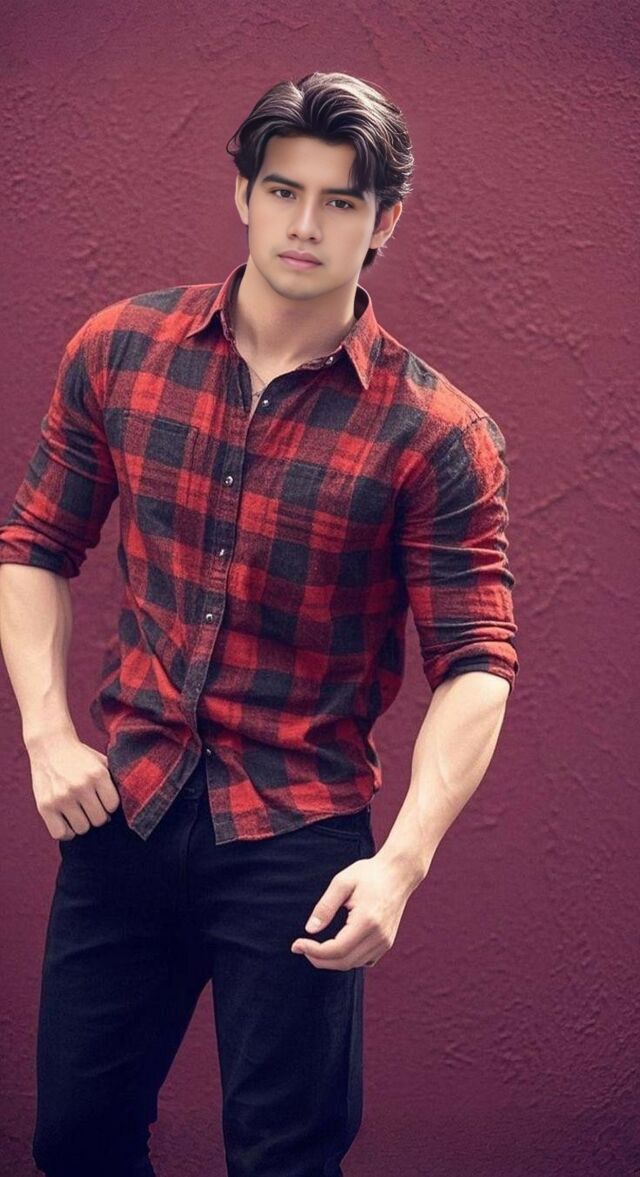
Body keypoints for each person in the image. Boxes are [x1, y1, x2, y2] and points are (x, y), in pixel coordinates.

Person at [0, 70, 519, 1177]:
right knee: (75, 1139)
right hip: (126, 811)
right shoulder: (119, 352)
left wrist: (401, 863)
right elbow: (34, 544)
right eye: (283, 190)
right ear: (243, 194)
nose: (305, 224)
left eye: (341, 201)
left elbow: (477, 662)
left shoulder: (436, 433)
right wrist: (46, 734)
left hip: (299, 837)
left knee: (285, 1157)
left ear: (384, 221)